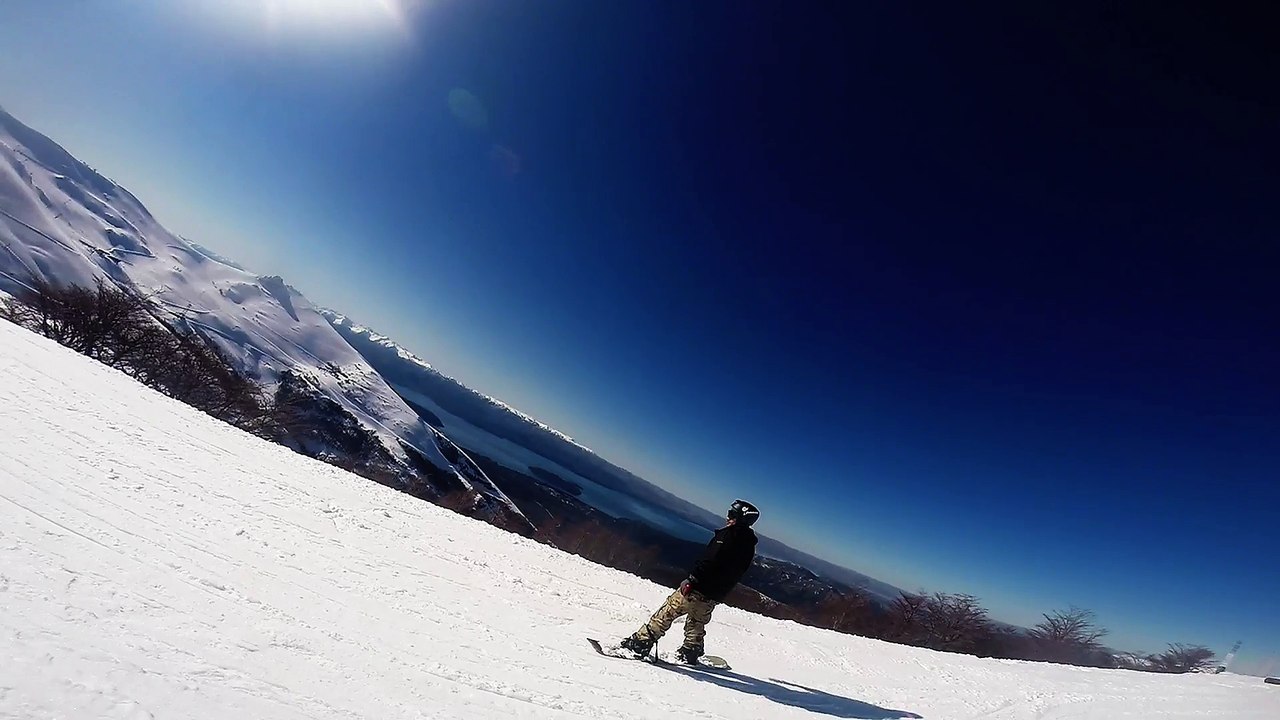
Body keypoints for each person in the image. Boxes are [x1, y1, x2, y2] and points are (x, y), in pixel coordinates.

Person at [619, 499, 759, 664]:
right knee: (696, 619)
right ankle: (691, 650)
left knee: (667, 612)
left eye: (732, 514)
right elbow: (737, 571)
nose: (728, 517)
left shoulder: (727, 535)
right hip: (716, 592)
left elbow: (710, 560)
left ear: (742, 518)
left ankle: (640, 644)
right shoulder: (749, 544)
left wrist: (692, 579)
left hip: (700, 586)